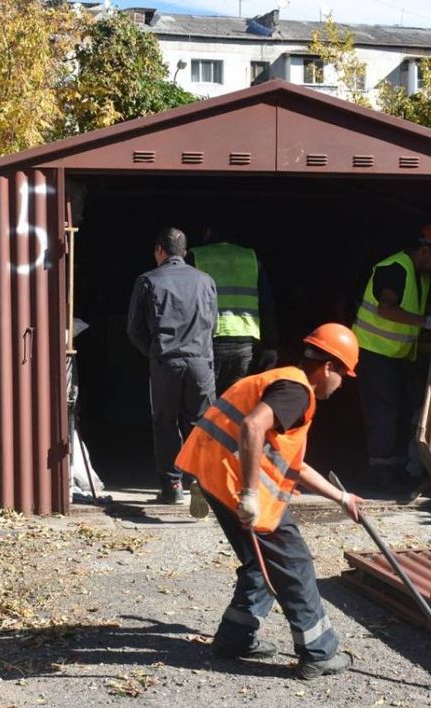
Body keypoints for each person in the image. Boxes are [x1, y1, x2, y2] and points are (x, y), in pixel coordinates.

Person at [175, 323, 362, 680]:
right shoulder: (297, 391)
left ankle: (235, 638)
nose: (341, 386)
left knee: (260, 565)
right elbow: (251, 427)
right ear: (329, 368)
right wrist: (248, 494)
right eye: (343, 375)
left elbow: (296, 465)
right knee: (294, 563)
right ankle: (319, 651)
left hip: (215, 477)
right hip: (236, 487)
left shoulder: (284, 383)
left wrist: (341, 497)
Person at [352, 222, 431, 490]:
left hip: (397, 356)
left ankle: (394, 467)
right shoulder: (394, 268)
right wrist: (426, 321)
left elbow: (415, 307)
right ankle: (379, 472)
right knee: (383, 412)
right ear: (424, 250)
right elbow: (386, 309)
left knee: (398, 410)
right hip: (372, 352)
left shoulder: (420, 276)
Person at [127, 226, 218, 504]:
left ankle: (173, 486)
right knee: (200, 423)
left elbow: (134, 329)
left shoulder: (147, 280)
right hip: (200, 362)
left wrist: (153, 352)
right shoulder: (206, 281)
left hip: (166, 362)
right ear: (185, 253)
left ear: (159, 251)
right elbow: (213, 324)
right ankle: (203, 481)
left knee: (165, 422)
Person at [188, 227, 278, 396]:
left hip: (208, 341)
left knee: (204, 405)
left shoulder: (196, 257)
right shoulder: (251, 258)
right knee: (235, 403)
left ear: (207, 233)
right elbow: (266, 303)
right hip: (246, 343)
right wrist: (271, 344)